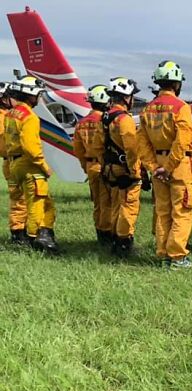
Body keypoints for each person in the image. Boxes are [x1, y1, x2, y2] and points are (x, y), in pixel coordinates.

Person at [137, 61, 192, 269]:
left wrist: (155, 167)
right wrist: (170, 166)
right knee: (182, 210)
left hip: (158, 166)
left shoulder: (147, 109)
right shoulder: (182, 108)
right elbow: (182, 141)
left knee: (163, 211)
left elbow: (141, 143)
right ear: (177, 84)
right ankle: (178, 256)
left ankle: (163, 254)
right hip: (178, 166)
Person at [4, 76, 57, 252]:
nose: (39, 99)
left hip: (14, 164)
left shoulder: (10, 113)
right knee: (39, 203)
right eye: (37, 95)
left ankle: (29, 237)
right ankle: (36, 241)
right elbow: (31, 147)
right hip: (29, 165)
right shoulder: (30, 117)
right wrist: (44, 166)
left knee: (25, 201)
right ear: (30, 94)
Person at [102, 77, 145, 258]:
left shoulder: (105, 117)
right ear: (127, 97)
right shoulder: (124, 119)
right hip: (124, 169)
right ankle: (124, 244)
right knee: (128, 207)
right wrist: (135, 172)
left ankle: (114, 240)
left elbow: (99, 145)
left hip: (109, 168)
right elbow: (131, 149)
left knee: (115, 206)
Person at [73, 84, 112, 245]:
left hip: (90, 167)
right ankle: (107, 235)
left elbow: (78, 150)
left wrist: (85, 167)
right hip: (103, 166)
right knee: (107, 203)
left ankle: (99, 233)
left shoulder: (81, 123)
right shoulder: (104, 121)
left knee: (97, 203)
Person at [0, 81, 28, 244]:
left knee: (21, 198)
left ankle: (21, 231)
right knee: (19, 199)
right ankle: (18, 234)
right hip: (13, 161)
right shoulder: (3, 116)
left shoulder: (6, 115)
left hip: (12, 161)